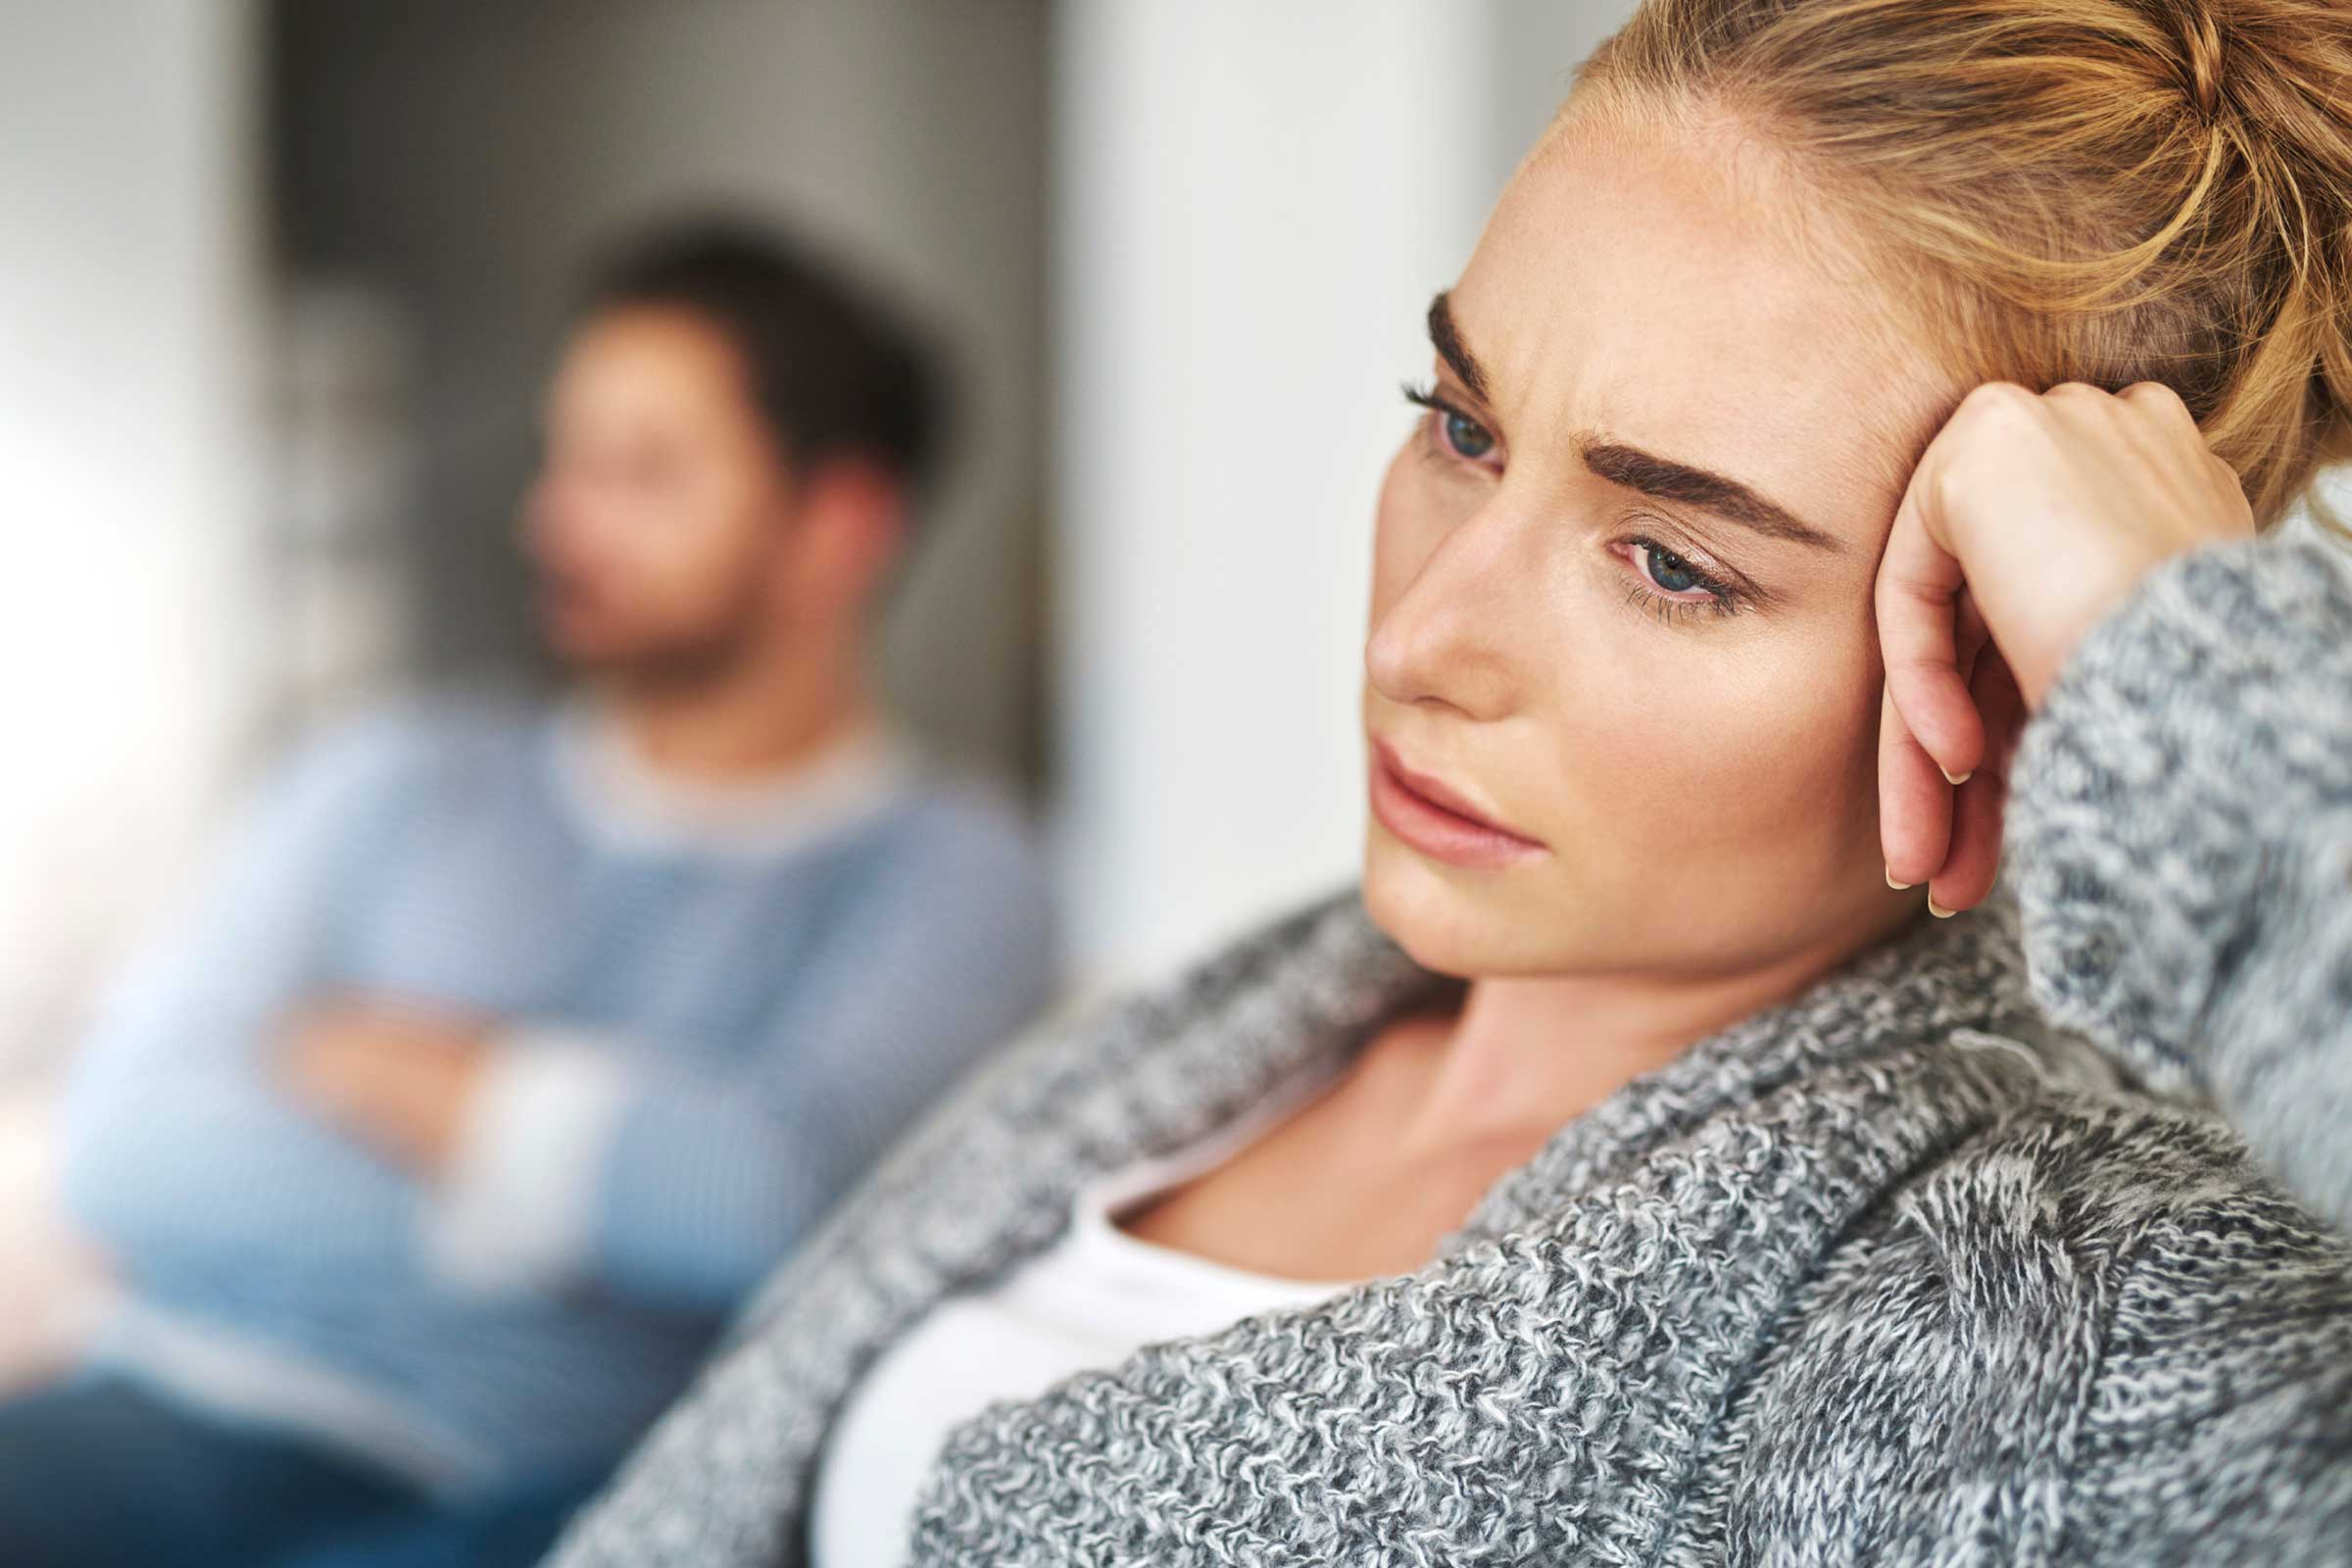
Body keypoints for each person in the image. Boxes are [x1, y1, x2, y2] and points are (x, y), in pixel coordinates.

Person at [546, 3, 2352, 1565]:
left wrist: (2176, 653)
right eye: (1463, 427)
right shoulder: (1252, 1027)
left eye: (1673, 563)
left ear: (2009, 666)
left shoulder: (2040, 1320)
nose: (1422, 636)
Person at [0, 218, 1059, 1567]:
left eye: (644, 473)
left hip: (534, 1486)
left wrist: (404, 1078)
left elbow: (776, 1208)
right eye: (567, 461)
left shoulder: (956, 873)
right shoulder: (390, 777)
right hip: (162, 1412)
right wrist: (582, 1212)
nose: (556, 520)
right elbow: (127, 1144)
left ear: (838, 527)